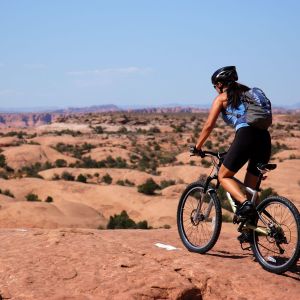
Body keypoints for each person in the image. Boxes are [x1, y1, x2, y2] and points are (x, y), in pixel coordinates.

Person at [194, 66, 271, 224]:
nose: (215, 89)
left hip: (246, 136)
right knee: (251, 190)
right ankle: (251, 233)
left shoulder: (223, 97)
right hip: (264, 138)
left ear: (220, 84)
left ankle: (244, 204)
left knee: (223, 176)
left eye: (215, 86)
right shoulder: (247, 93)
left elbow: (209, 125)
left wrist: (198, 147)